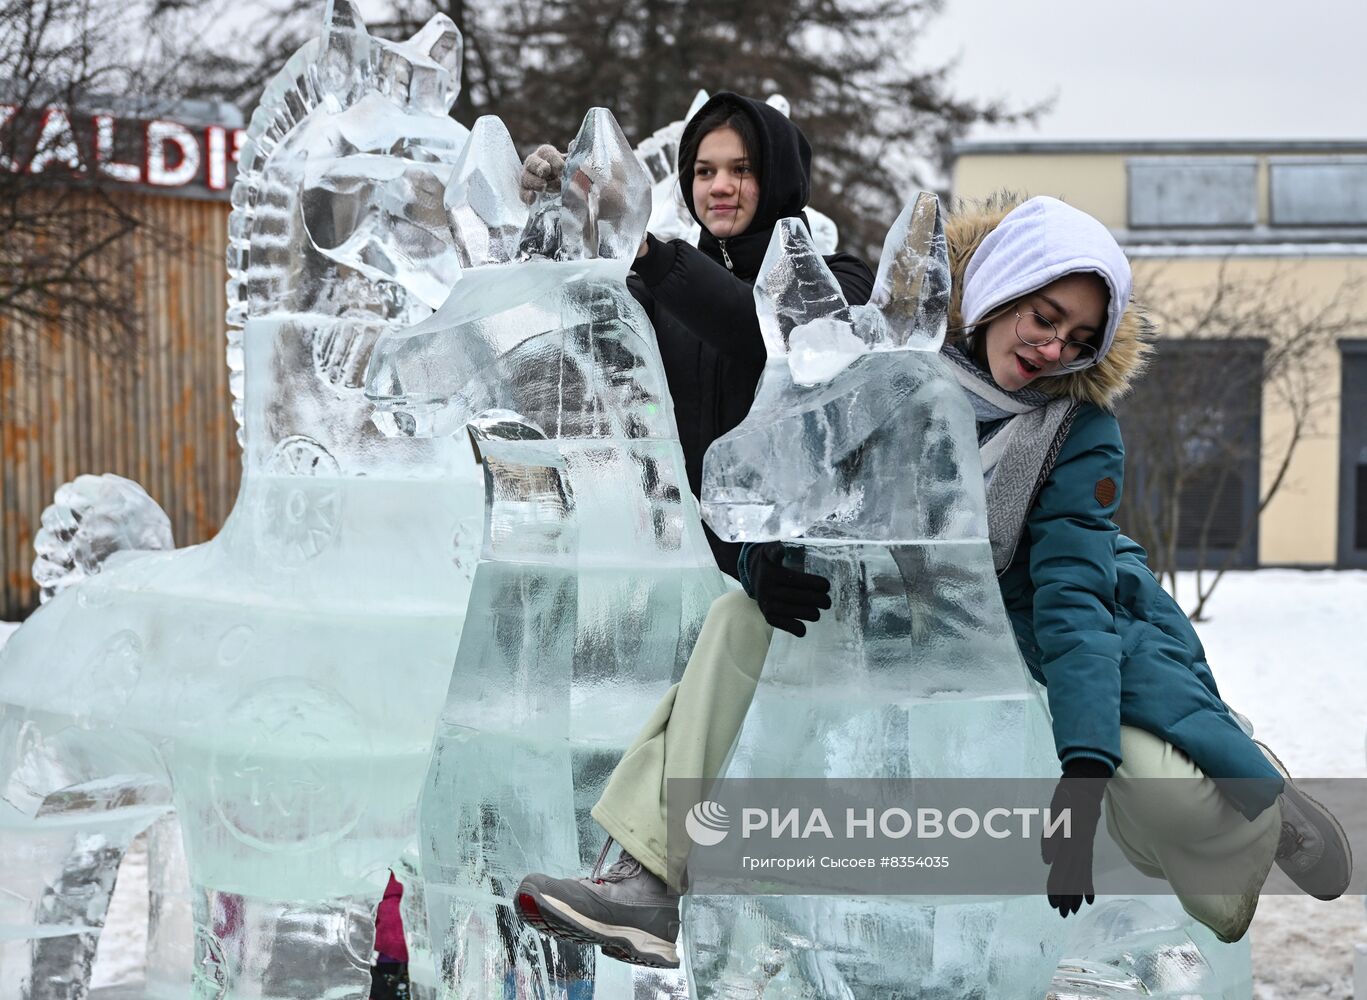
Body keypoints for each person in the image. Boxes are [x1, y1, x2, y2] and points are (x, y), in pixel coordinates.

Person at [513, 194, 1353, 969]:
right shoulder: (883, 371)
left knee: (1172, 807)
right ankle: (644, 879)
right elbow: (793, 494)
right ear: (998, 289)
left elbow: (1069, 599)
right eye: (1043, 315)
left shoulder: (1074, 431)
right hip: (891, 615)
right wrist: (763, 563)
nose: (1052, 346)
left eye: (1077, 338)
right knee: (739, 621)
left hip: (1034, 617)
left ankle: (1254, 802)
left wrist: (1083, 774)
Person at [519, 92, 874, 578]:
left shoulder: (844, 281)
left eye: (742, 170)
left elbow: (760, 330)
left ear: (780, 178)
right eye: (704, 172)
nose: (720, 186)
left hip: (799, 584)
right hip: (678, 579)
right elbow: (556, 336)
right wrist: (554, 222)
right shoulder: (654, 292)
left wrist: (645, 247)